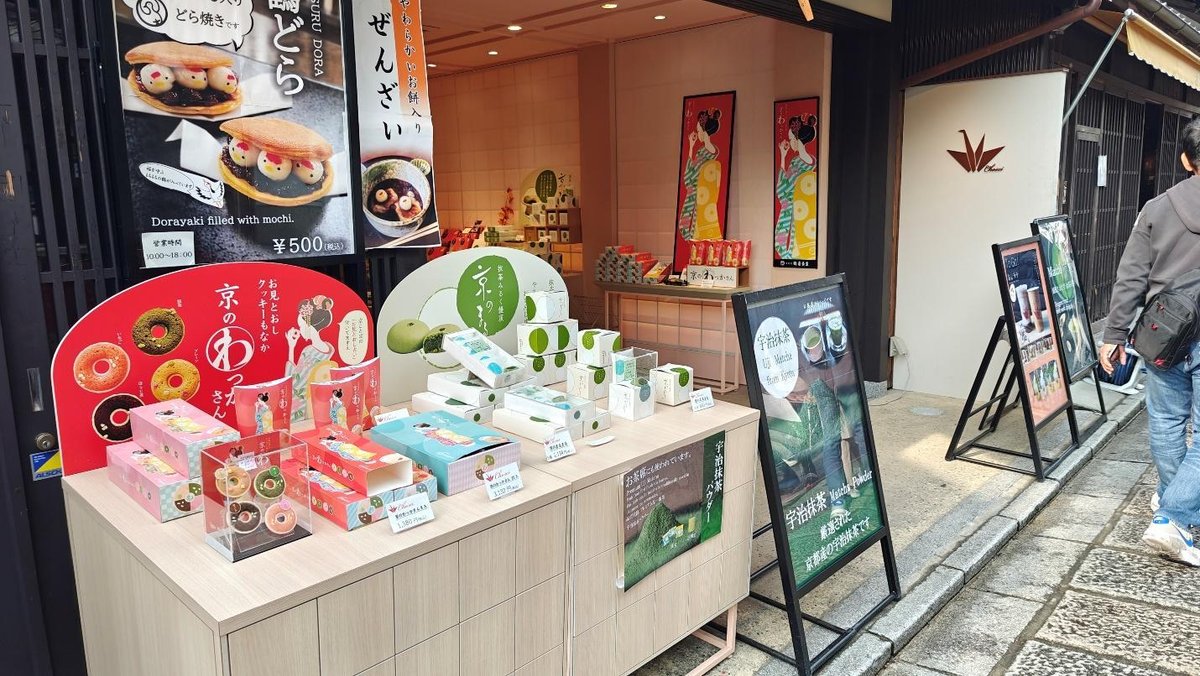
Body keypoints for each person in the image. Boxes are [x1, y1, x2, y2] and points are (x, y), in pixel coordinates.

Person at [1100, 117, 1200, 567]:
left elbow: (1131, 276)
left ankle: (1171, 500)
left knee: (1165, 421)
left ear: (1185, 160)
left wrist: (1114, 334)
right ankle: (1174, 516)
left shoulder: (1157, 208)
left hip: (1163, 334)